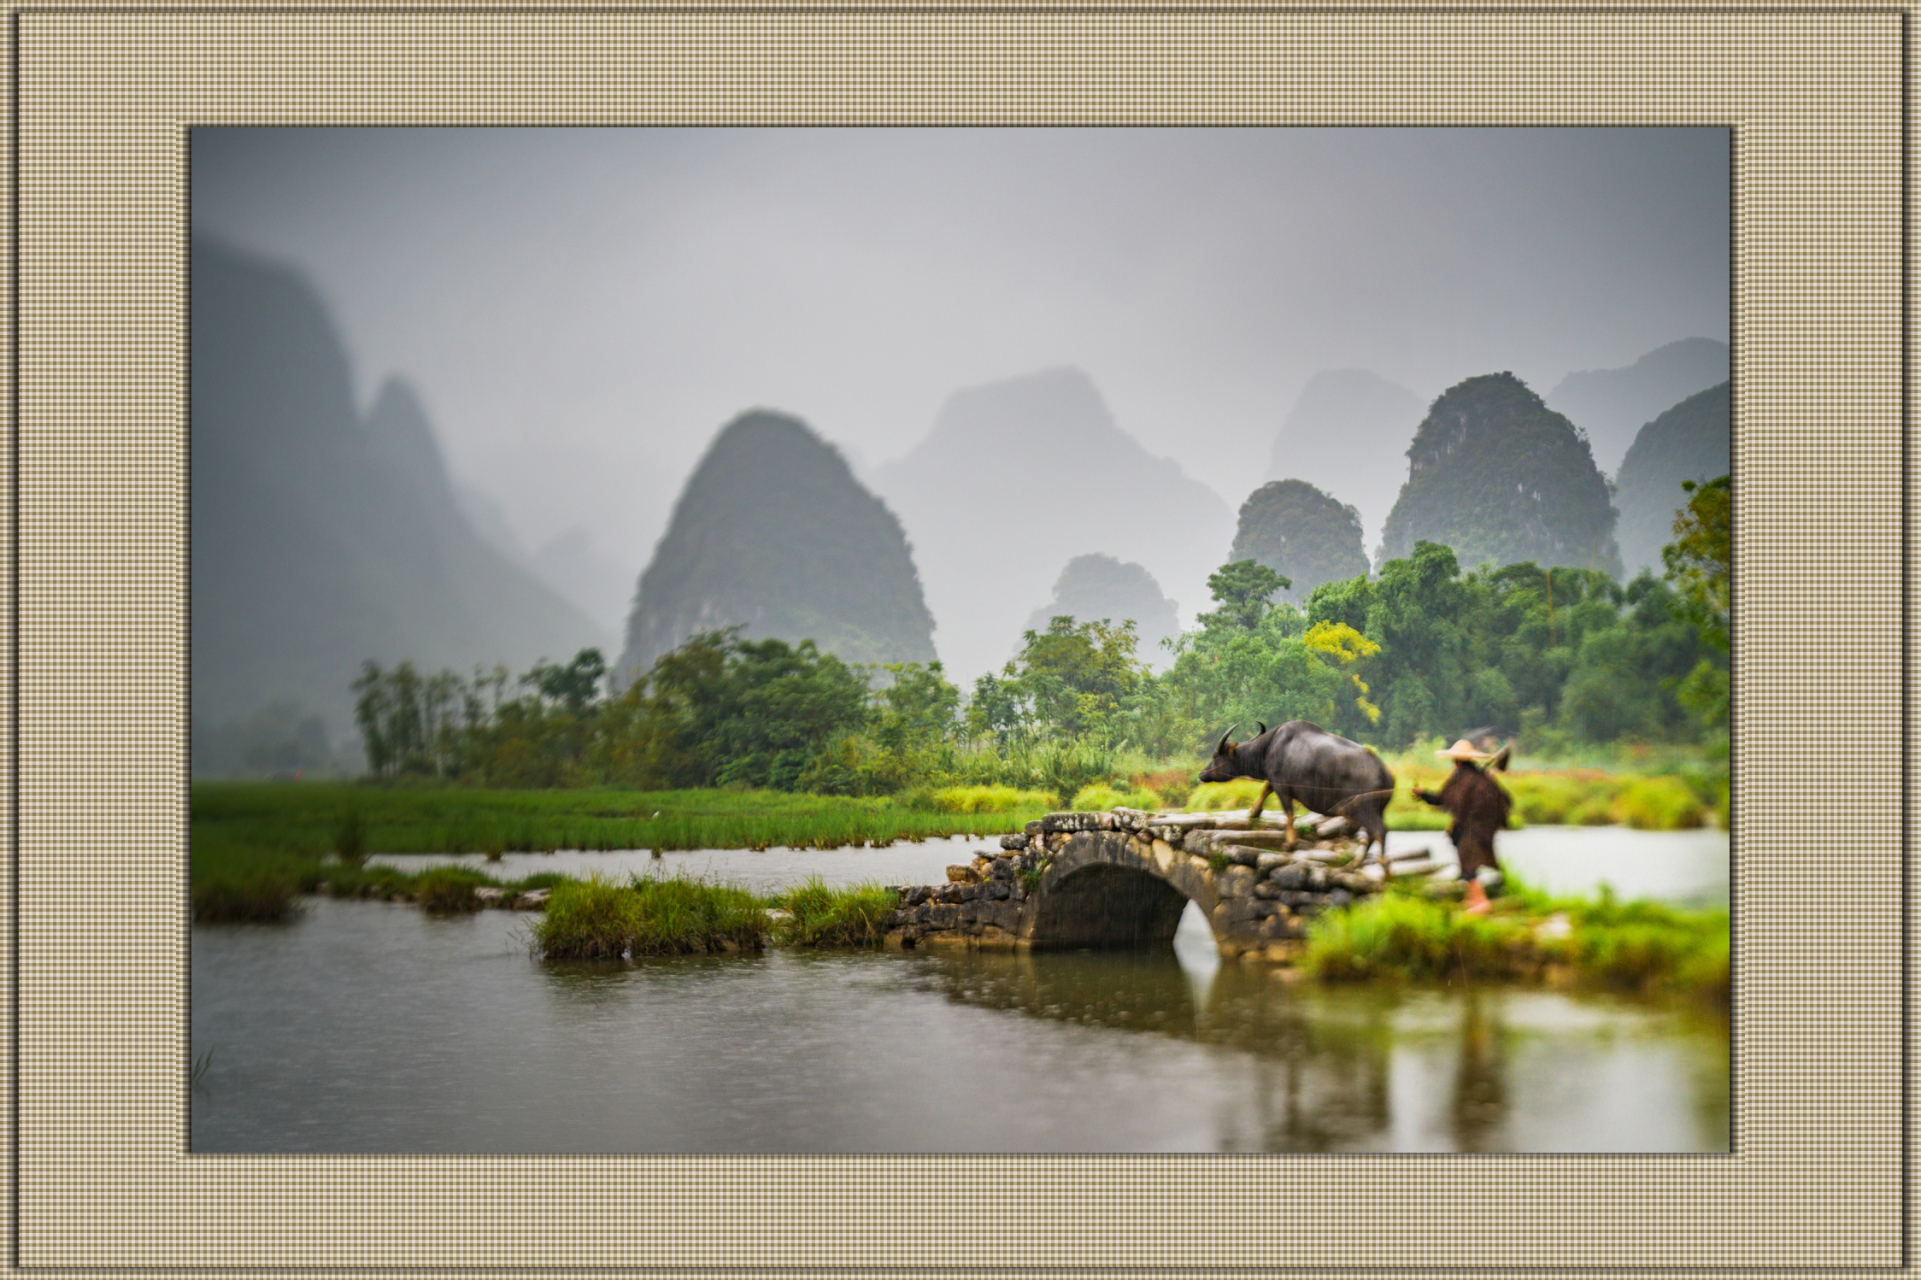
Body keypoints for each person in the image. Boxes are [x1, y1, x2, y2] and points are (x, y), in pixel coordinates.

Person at [1415, 738, 1513, 915]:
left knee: (1468, 867)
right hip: (1482, 828)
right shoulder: (1481, 777)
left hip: (1472, 829)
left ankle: (1481, 903)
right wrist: (1424, 795)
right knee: (1468, 863)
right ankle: (1471, 900)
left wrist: (1423, 794)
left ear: (1456, 761)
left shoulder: (1463, 778)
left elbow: (1441, 799)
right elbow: (1505, 800)